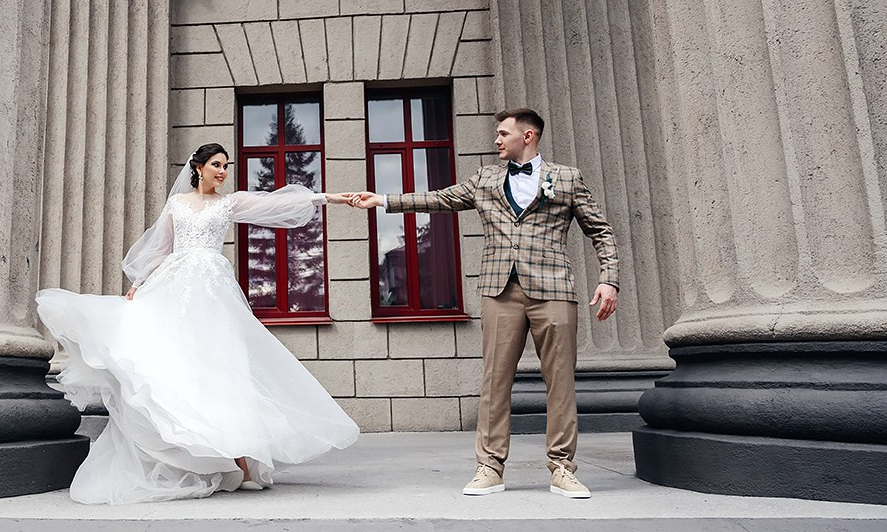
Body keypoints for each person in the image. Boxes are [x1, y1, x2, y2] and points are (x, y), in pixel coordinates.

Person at [36, 143, 359, 504]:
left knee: (224, 371)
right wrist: (137, 284)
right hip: (173, 286)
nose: (223, 171)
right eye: (216, 165)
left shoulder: (229, 202)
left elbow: (275, 203)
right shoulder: (177, 204)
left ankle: (243, 465)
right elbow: (159, 247)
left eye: (226, 165)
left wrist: (330, 198)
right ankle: (191, 460)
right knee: (175, 368)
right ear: (199, 167)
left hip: (212, 292)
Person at [352, 108, 618, 499]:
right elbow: (440, 198)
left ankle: (562, 467)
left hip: (555, 290)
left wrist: (608, 279)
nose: (496, 139)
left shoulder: (567, 177)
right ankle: (490, 467)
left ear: (527, 136)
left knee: (560, 382)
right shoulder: (486, 178)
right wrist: (384, 200)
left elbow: (601, 229)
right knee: (495, 381)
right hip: (500, 291)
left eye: (503, 133)